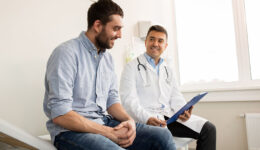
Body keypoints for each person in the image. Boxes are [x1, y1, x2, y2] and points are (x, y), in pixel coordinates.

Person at [43, 1, 176, 150]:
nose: (119, 35)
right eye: (115, 29)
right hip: (70, 132)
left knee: (162, 136)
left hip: (104, 122)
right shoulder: (66, 53)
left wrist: (129, 121)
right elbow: (61, 114)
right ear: (98, 25)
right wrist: (108, 133)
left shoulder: (107, 59)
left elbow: (111, 100)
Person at [120, 25, 216, 150]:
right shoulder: (131, 67)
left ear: (165, 46)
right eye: (152, 39)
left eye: (160, 41)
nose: (155, 43)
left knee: (209, 129)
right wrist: (147, 118)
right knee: (163, 136)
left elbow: (175, 96)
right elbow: (128, 101)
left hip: (167, 118)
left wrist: (183, 111)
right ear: (146, 42)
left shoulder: (167, 69)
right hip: (145, 119)